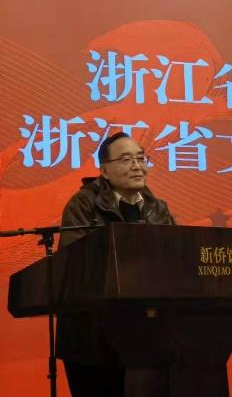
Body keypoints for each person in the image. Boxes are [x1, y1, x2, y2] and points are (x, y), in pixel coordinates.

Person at [58, 132, 175, 397]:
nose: (137, 166)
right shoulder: (83, 204)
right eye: (126, 160)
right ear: (104, 171)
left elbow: (176, 260)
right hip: (91, 338)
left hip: (146, 333)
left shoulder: (158, 208)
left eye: (141, 158)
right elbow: (75, 264)